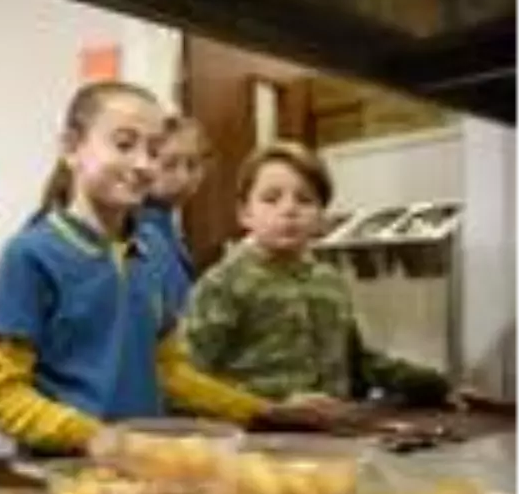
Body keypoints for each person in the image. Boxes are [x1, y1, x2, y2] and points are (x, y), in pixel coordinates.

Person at [0, 81, 327, 459]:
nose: (144, 164)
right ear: (71, 147)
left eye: (154, 150)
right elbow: (2, 395)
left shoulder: (153, 251)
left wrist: (262, 410)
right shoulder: (30, 254)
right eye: (124, 144)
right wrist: (93, 437)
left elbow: (169, 371)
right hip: (66, 475)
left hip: (140, 469)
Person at [182, 141, 456, 408]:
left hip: (334, 434)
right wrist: (272, 405)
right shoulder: (222, 284)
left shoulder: (329, 282)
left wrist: (433, 385)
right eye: (271, 199)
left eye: (305, 199)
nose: (289, 210)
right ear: (245, 213)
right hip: (257, 438)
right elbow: (190, 379)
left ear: (321, 217)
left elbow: (357, 363)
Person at [139, 115, 210, 314]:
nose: (183, 177)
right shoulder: (139, 227)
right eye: (169, 165)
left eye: (193, 165)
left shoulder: (166, 221)